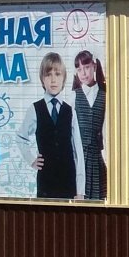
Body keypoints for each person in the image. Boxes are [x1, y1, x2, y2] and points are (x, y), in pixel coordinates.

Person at [30, 53, 78, 200]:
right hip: (46, 180)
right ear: (42, 79)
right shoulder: (35, 109)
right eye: (48, 75)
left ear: (63, 78)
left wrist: (80, 189)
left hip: (68, 180)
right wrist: (31, 159)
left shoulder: (70, 111)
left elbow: (78, 152)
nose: (53, 80)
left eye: (57, 74)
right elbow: (20, 137)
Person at [69, 49, 107, 202]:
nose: (83, 73)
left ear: (94, 66)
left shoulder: (105, 95)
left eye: (86, 67)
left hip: (97, 157)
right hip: (78, 159)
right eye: (79, 69)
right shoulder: (73, 96)